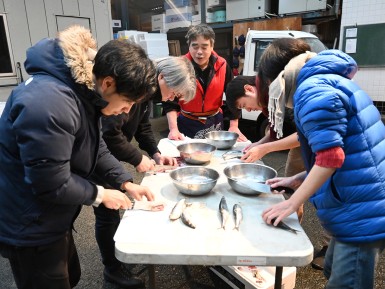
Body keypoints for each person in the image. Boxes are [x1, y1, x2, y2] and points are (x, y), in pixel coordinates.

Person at [0, 25, 158, 289]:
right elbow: (50, 182)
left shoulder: (84, 91)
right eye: (128, 102)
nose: (127, 111)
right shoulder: (49, 102)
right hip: (29, 221)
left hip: (52, 214)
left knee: (69, 277)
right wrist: (101, 194)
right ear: (109, 83)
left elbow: (94, 148)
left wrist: (125, 182)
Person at [259, 38, 385, 288]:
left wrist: (293, 202)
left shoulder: (312, 91)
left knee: (347, 284)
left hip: (362, 209)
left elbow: (331, 158)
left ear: (277, 76)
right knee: (332, 270)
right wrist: (297, 179)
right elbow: (346, 153)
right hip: (359, 198)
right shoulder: (324, 82)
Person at [94, 56, 196, 287]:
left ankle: (119, 257)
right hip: (100, 157)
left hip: (109, 157)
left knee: (114, 207)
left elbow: (142, 126)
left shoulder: (148, 94)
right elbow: (110, 133)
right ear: (162, 77)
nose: (173, 98)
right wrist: (137, 158)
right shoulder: (136, 88)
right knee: (106, 212)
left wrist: (155, 152)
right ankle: (113, 268)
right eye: (174, 92)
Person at [162, 23, 247, 141]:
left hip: (215, 121)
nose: (199, 52)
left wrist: (234, 126)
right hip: (186, 122)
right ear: (189, 46)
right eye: (195, 46)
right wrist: (173, 129)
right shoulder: (180, 66)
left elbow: (232, 96)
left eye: (204, 47)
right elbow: (170, 102)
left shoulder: (222, 65)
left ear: (212, 46)